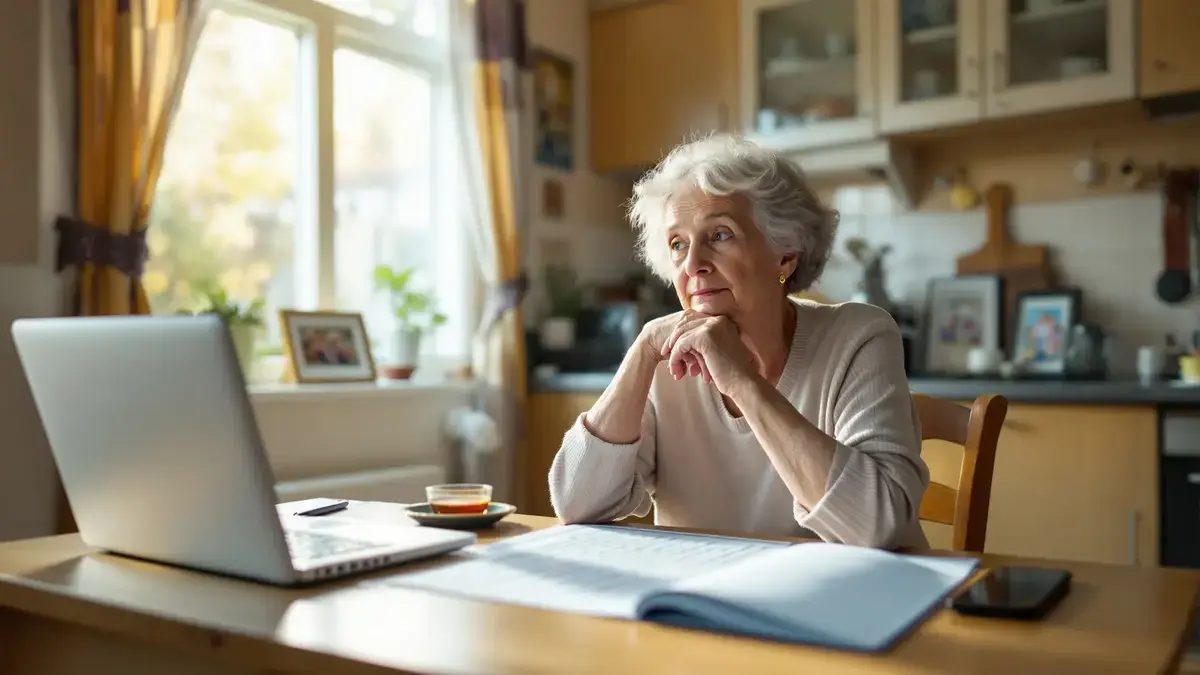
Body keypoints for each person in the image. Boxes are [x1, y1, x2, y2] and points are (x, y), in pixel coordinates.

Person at [547, 134, 930, 550]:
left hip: (846, 604)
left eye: (720, 235)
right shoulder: (665, 353)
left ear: (786, 253)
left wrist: (744, 383)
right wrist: (642, 351)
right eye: (678, 244)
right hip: (702, 603)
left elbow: (878, 526)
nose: (693, 264)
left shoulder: (859, 337)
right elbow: (575, 504)